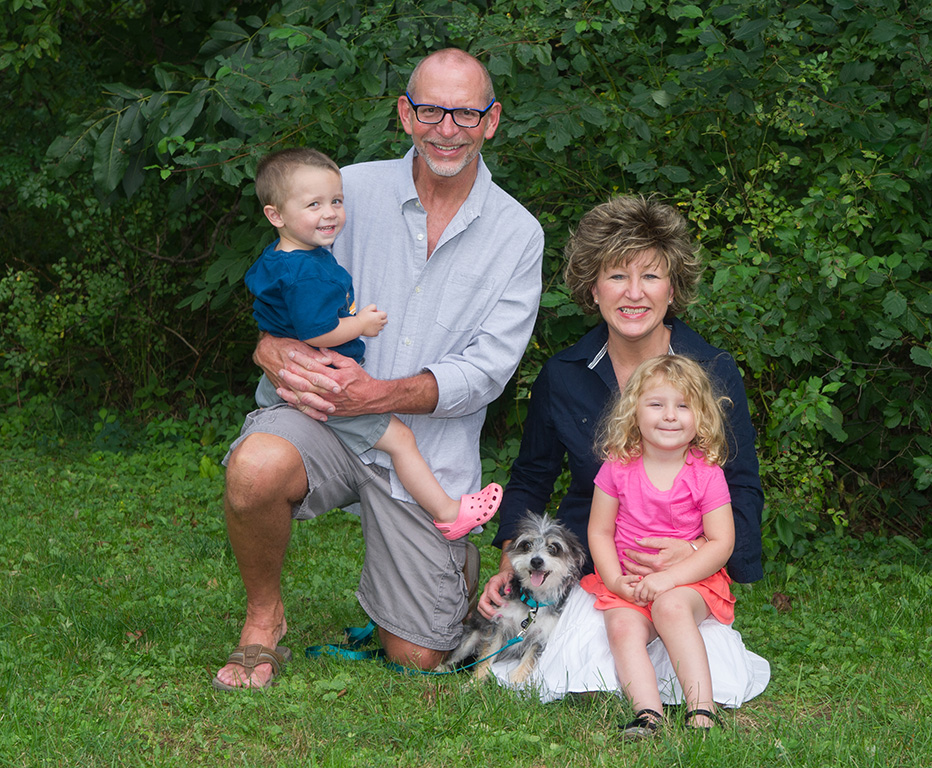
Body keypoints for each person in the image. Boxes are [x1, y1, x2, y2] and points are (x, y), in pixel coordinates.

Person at [214, 48, 544, 690]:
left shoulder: (518, 232)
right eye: (430, 110)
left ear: (492, 121)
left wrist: (380, 394)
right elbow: (284, 282)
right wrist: (267, 345)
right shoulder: (345, 191)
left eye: (466, 113)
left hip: (425, 452)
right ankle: (263, 619)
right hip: (322, 416)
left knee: (417, 657)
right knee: (254, 468)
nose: (447, 128)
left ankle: (444, 569)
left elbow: (488, 370)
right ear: (405, 114)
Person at [481, 194, 763, 616]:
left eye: (650, 276)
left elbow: (741, 486)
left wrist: (695, 550)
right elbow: (531, 478)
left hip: (685, 575)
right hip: (587, 568)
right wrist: (511, 562)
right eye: (616, 276)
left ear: (673, 289)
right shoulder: (562, 376)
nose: (634, 293)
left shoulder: (713, 372)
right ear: (593, 290)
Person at [244, 147, 503, 540]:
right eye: (314, 204)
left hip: (300, 377)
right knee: (400, 440)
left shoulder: (281, 257)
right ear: (275, 215)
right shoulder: (306, 273)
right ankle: (449, 512)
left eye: (336, 201)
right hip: (326, 383)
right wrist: (359, 324)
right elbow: (316, 333)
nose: (329, 213)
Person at [582, 355, 736, 736]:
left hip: (690, 582)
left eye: (683, 406)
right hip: (629, 580)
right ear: (633, 412)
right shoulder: (617, 468)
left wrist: (669, 580)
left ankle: (701, 710)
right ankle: (647, 713)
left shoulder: (707, 474)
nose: (670, 415)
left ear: (701, 416)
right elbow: (599, 531)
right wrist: (616, 581)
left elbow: (721, 543)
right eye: (656, 404)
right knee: (621, 626)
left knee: (669, 607)